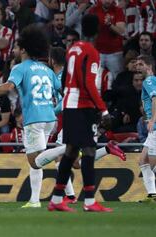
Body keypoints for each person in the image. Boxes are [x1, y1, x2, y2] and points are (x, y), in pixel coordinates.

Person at [0, 25, 60, 208]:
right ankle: (35, 201)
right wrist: (54, 109)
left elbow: (7, 87)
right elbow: (60, 92)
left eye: (17, 47)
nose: (15, 51)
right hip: (49, 117)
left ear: (25, 49)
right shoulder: (47, 69)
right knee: (36, 161)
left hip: (34, 118)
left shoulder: (20, 67)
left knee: (34, 160)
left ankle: (67, 150)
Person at [48, 14, 113, 212]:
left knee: (71, 151)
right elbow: (88, 82)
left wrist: (68, 96)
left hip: (69, 104)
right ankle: (90, 201)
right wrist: (103, 110)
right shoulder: (91, 51)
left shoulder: (72, 49)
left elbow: (63, 81)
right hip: (82, 106)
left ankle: (57, 199)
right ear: (97, 30)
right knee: (89, 150)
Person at [89, 0, 126, 80]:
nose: (107, 1)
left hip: (115, 52)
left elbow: (121, 31)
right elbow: (89, 33)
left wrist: (110, 24)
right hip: (97, 52)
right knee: (95, 79)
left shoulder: (118, 10)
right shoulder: (93, 10)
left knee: (117, 79)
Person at [136, 55, 156, 202]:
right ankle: (152, 194)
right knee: (143, 161)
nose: (138, 67)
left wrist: (153, 120)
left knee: (153, 164)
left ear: (149, 66)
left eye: (141, 64)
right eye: (137, 64)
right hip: (153, 127)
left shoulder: (149, 80)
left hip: (155, 126)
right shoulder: (152, 81)